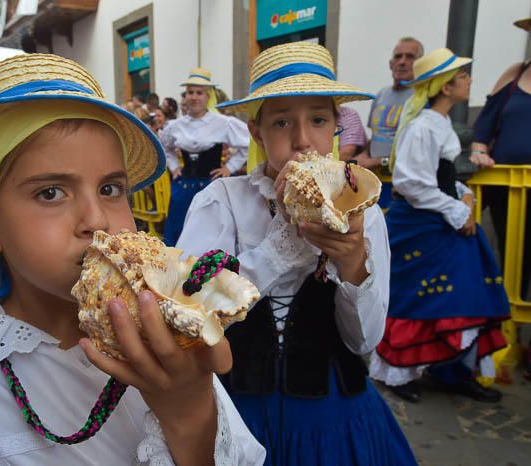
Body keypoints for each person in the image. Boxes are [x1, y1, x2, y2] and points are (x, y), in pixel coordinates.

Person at [0, 54, 265, 465]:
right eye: (50, 193)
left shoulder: (168, 344)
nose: (96, 220)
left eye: (111, 189)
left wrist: (190, 413)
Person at [177, 42, 416, 466]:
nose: (303, 140)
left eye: (318, 120)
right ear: (257, 132)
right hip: (239, 412)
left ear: (336, 127)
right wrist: (282, 243)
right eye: (282, 121)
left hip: (334, 414)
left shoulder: (365, 211)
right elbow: (190, 314)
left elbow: (365, 340)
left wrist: (351, 264)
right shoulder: (224, 201)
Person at [369, 48, 510, 404]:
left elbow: (437, 179)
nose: (468, 81)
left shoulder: (440, 124)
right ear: (445, 87)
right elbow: (412, 184)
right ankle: (398, 371)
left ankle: (452, 368)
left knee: (460, 293)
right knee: (417, 298)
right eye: (462, 77)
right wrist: (457, 210)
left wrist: (463, 196)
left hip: (439, 222)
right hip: (422, 225)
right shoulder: (421, 127)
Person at [470, 17, 531, 299]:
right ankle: (512, 334)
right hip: (506, 190)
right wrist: (479, 151)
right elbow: (484, 126)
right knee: (512, 261)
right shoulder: (517, 73)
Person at [160, 68, 249, 246]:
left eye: (199, 93)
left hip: (211, 186)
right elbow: (165, 146)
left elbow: (248, 144)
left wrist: (229, 168)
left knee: (210, 234)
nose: (193, 97)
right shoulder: (175, 125)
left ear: (208, 96)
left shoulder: (224, 123)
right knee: (179, 231)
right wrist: (174, 167)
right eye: (190, 92)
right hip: (184, 187)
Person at [356, 37, 424, 208]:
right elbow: (376, 135)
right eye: (398, 56)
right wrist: (364, 154)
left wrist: (378, 161)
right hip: (374, 182)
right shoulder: (381, 94)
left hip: (401, 185)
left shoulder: (421, 99)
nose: (402, 62)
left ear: (420, 64)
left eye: (410, 57)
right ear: (390, 63)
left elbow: (418, 148)